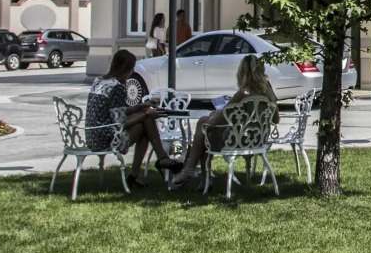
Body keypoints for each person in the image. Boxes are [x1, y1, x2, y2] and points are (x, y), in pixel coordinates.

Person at [168, 53, 277, 189]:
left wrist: (215, 115)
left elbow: (216, 121)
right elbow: (276, 119)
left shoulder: (243, 93)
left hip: (237, 142)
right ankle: (199, 176)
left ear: (242, 72)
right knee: (206, 130)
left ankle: (192, 171)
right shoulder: (269, 93)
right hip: (258, 140)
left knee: (204, 124)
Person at [85, 50, 182, 186]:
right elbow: (121, 123)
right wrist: (146, 114)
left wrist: (141, 107)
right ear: (126, 69)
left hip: (92, 136)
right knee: (145, 124)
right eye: (132, 68)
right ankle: (158, 161)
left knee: (145, 119)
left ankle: (153, 164)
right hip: (106, 138)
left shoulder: (99, 81)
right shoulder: (117, 88)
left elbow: (116, 112)